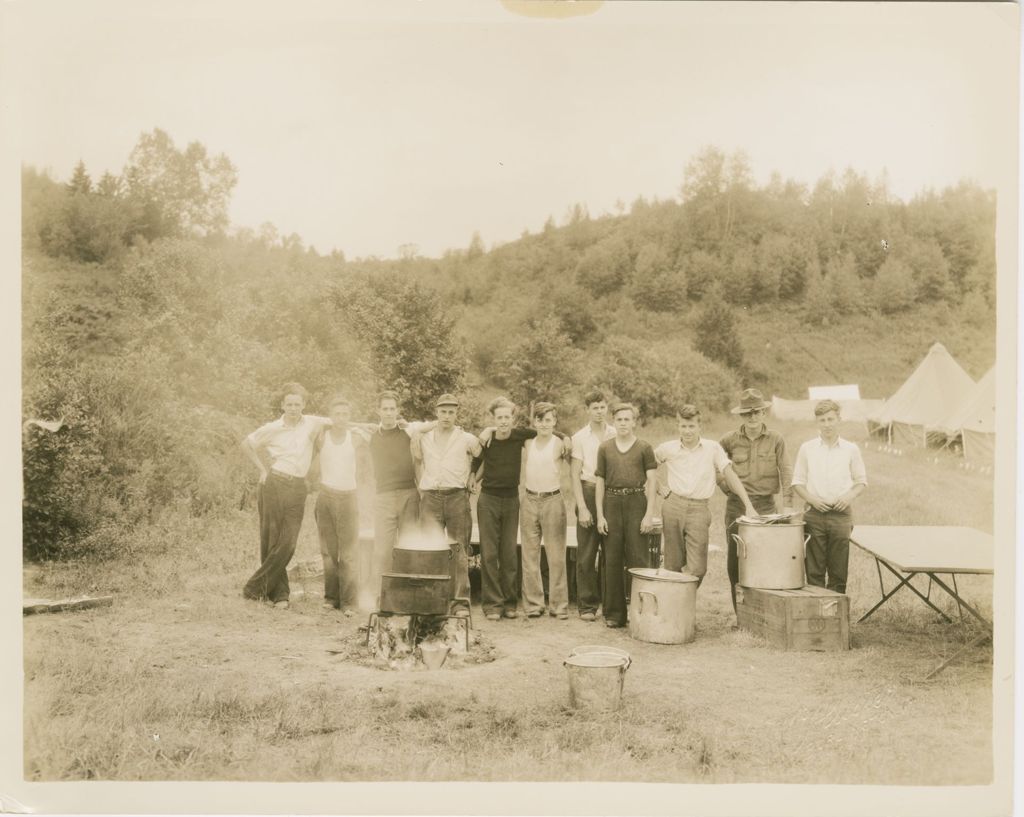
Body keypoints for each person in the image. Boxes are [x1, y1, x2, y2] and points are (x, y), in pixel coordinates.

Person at [241, 382, 331, 609]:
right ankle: (279, 596)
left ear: (303, 405)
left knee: (288, 542)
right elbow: (247, 444)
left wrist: (383, 425)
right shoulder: (273, 427)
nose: (293, 408)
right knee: (272, 540)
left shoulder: (312, 422)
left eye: (297, 404)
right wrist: (262, 470)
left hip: (298, 487)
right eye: (289, 404)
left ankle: (254, 588)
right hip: (274, 484)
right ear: (282, 405)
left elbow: (343, 422)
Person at [655, 405, 757, 585]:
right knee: (673, 564)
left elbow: (729, 474)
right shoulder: (667, 448)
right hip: (673, 506)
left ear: (699, 426)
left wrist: (748, 505)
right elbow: (646, 466)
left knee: (698, 568)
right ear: (678, 426)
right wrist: (659, 487)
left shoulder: (712, 448)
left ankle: (684, 597)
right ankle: (676, 608)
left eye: (691, 426)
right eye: (683, 426)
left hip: (699, 509)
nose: (687, 431)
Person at [353, 391, 434, 602]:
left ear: (398, 411)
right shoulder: (370, 433)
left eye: (392, 409)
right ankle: (381, 596)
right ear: (378, 411)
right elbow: (342, 424)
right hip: (383, 497)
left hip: (409, 494)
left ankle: (408, 595)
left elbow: (435, 424)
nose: (389, 413)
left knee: (408, 547)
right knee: (382, 550)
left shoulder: (408, 431)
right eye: (385, 409)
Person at [718, 388, 794, 613]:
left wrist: (788, 504)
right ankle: (740, 614)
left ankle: (763, 613)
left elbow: (786, 471)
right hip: (736, 507)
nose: (752, 418)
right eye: (747, 413)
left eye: (757, 412)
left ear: (764, 413)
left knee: (765, 560)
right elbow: (716, 469)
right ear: (741, 415)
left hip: (766, 506)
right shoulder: (728, 440)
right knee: (736, 561)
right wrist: (728, 489)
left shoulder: (776, 440)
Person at [412, 393, 483, 616]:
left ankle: (460, 603)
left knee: (459, 551)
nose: (447, 416)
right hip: (431, 497)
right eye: (443, 411)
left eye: (451, 412)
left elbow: (485, 454)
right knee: (429, 550)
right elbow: (414, 449)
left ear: (456, 414)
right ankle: (430, 599)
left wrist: (474, 476)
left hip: (457, 497)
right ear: (436, 413)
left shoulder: (466, 438)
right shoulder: (424, 437)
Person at [791, 399, 868, 594]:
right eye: (822, 420)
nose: (827, 424)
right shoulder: (807, 448)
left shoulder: (851, 449)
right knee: (814, 570)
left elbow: (861, 482)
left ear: (839, 419)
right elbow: (797, 482)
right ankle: (816, 617)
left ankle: (835, 615)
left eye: (830, 419)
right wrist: (812, 499)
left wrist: (848, 497)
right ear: (817, 422)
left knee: (838, 570)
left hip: (841, 515)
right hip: (814, 514)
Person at [594, 403, 657, 629]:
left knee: (639, 559)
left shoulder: (644, 448)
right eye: (619, 419)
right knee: (612, 559)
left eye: (627, 419)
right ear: (614, 422)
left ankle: (643, 611)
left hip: (636, 502)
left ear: (634, 422)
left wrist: (649, 514)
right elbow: (600, 483)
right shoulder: (605, 448)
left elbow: (652, 481)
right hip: (611, 502)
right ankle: (614, 614)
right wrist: (600, 515)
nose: (623, 423)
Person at [312, 394, 367, 615]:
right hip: (325, 496)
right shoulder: (321, 437)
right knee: (328, 552)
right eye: (337, 414)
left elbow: (375, 433)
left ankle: (349, 602)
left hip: (348, 497)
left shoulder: (356, 438)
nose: (341, 418)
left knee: (349, 553)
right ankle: (331, 598)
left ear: (350, 417)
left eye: (345, 414)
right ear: (330, 416)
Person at [519, 402, 570, 620]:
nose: (544, 424)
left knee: (556, 555)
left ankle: (559, 605)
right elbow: (508, 431)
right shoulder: (527, 442)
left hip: (552, 500)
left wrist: (565, 436)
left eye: (549, 420)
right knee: (529, 555)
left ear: (554, 422)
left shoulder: (561, 443)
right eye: (540, 419)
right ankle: (533, 604)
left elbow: (576, 467)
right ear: (535, 422)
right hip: (530, 499)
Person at [570, 390, 616, 622]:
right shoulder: (579, 437)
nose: (599, 411)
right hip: (588, 491)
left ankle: (610, 605)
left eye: (602, 407)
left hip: (611, 493)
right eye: (594, 408)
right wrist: (583, 507)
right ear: (587, 410)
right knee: (587, 553)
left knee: (611, 552)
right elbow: (575, 474)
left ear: (607, 408)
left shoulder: (616, 432)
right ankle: (587, 605)